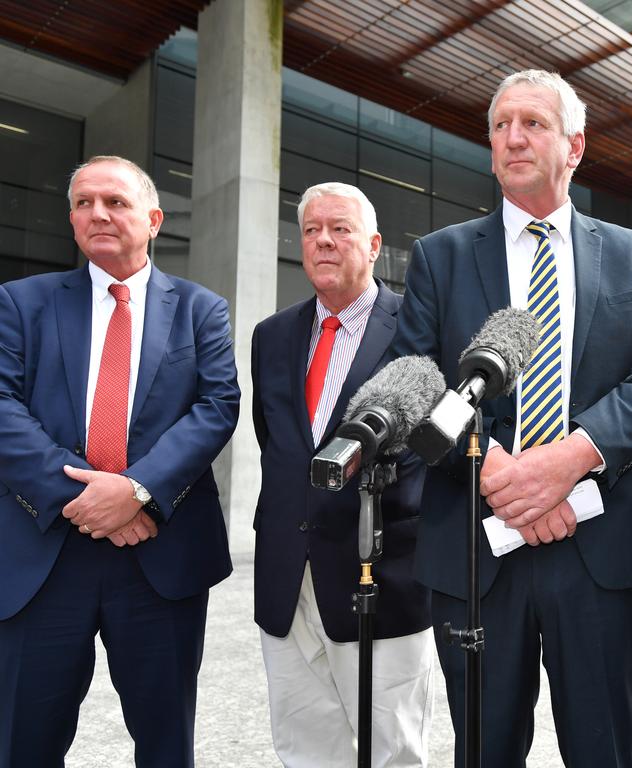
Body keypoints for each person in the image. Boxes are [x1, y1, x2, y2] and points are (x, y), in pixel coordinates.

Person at [389, 70, 632, 767]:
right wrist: (498, 473)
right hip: (476, 546)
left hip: (602, 548)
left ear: (574, 146)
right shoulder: (442, 255)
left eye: (533, 123)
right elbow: (416, 376)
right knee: (486, 752)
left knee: (605, 749)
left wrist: (567, 460)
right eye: (501, 126)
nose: (513, 137)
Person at [0, 155, 239, 767]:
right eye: (84, 202)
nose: (97, 213)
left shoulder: (200, 309)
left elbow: (216, 407)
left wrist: (135, 491)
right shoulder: (20, 303)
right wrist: (84, 498)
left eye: (115, 202)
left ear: (155, 219)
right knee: (22, 741)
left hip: (160, 553)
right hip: (44, 553)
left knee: (164, 745)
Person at [251, 182, 433, 767]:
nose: (323, 241)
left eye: (340, 229)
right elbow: (277, 443)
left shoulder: (415, 328)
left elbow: (433, 449)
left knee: (394, 750)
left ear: (374, 244)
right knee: (304, 748)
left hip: (382, 574)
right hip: (287, 577)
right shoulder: (272, 335)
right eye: (311, 230)